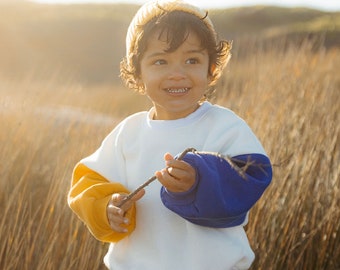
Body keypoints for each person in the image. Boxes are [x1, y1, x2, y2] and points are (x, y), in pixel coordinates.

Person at [67, 1, 272, 269]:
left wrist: (198, 180)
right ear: (138, 73)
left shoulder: (224, 126)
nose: (177, 74)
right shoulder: (128, 133)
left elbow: (254, 177)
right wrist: (107, 208)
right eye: (160, 61)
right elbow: (87, 184)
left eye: (192, 60)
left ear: (211, 70)